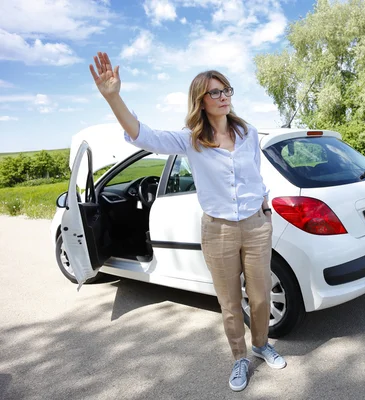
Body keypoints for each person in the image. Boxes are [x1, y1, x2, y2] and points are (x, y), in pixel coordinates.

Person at [89, 52, 286, 392]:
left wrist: (264, 205)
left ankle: (261, 344)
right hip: (218, 230)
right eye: (216, 92)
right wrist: (113, 96)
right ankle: (240, 358)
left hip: (255, 225)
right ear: (201, 100)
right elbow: (142, 134)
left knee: (260, 296)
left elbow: (255, 172)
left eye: (227, 90)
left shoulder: (248, 133)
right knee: (228, 302)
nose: (224, 97)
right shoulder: (191, 140)